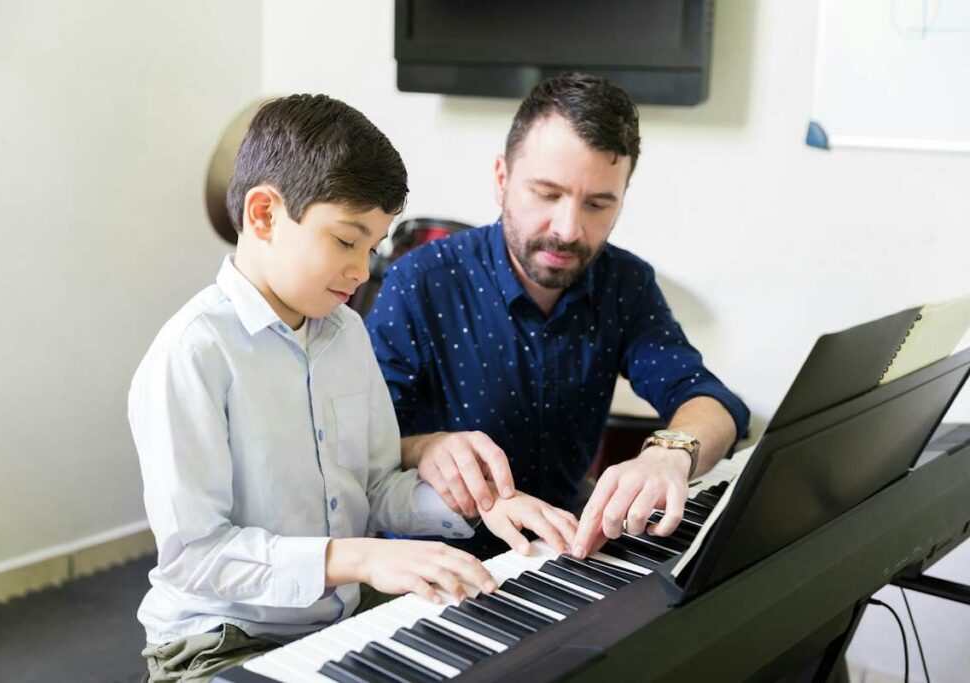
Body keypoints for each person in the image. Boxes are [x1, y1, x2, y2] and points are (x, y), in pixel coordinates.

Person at [128, 94, 577, 682]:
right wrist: (364, 556)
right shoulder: (193, 353)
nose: (363, 271)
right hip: (218, 640)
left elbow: (376, 485)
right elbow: (196, 558)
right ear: (264, 215)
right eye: (346, 241)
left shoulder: (347, 334)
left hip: (332, 618)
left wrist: (482, 503)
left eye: (373, 247)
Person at [366, 73, 750, 562]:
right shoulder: (420, 280)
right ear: (502, 179)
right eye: (547, 195)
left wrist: (668, 455)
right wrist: (425, 448)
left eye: (596, 204)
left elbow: (711, 400)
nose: (568, 230)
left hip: (565, 552)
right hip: (437, 562)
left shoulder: (625, 283)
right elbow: (358, 444)